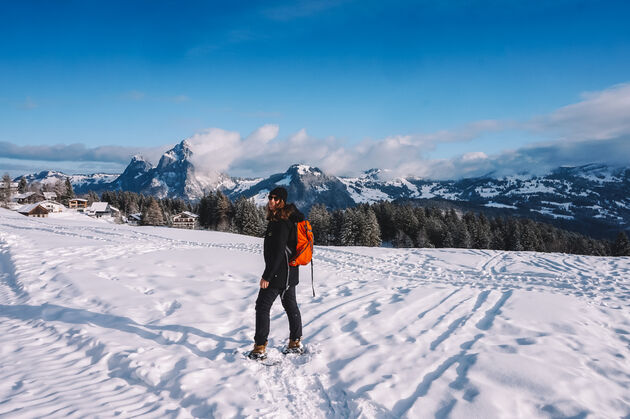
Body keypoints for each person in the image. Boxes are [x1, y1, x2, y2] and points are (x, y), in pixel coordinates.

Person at [249, 187, 305, 360]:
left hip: (279, 274)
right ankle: (295, 342)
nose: (271, 201)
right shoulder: (283, 218)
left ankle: (259, 347)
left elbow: (278, 252)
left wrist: (267, 276)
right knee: (290, 305)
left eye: (276, 199)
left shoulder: (282, 222)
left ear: (282, 201)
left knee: (262, 306)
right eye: (270, 198)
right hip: (290, 273)